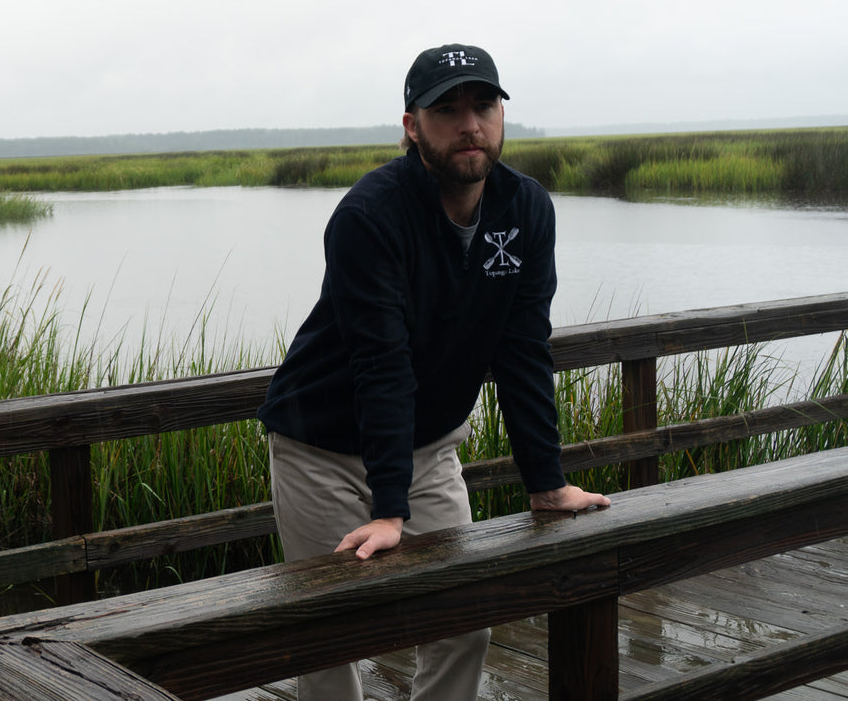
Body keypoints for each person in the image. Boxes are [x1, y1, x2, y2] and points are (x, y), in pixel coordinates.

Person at [257, 43, 610, 701]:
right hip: (321, 450)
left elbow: (522, 351)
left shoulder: (525, 209)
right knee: (332, 634)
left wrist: (546, 482)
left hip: (429, 451)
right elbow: (381, 364)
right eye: (445, 109)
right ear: (411, 125)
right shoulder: (370, 216)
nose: (468, 123)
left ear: (501, 115)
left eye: (482, 105)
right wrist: (389, 508)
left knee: (462, 622)